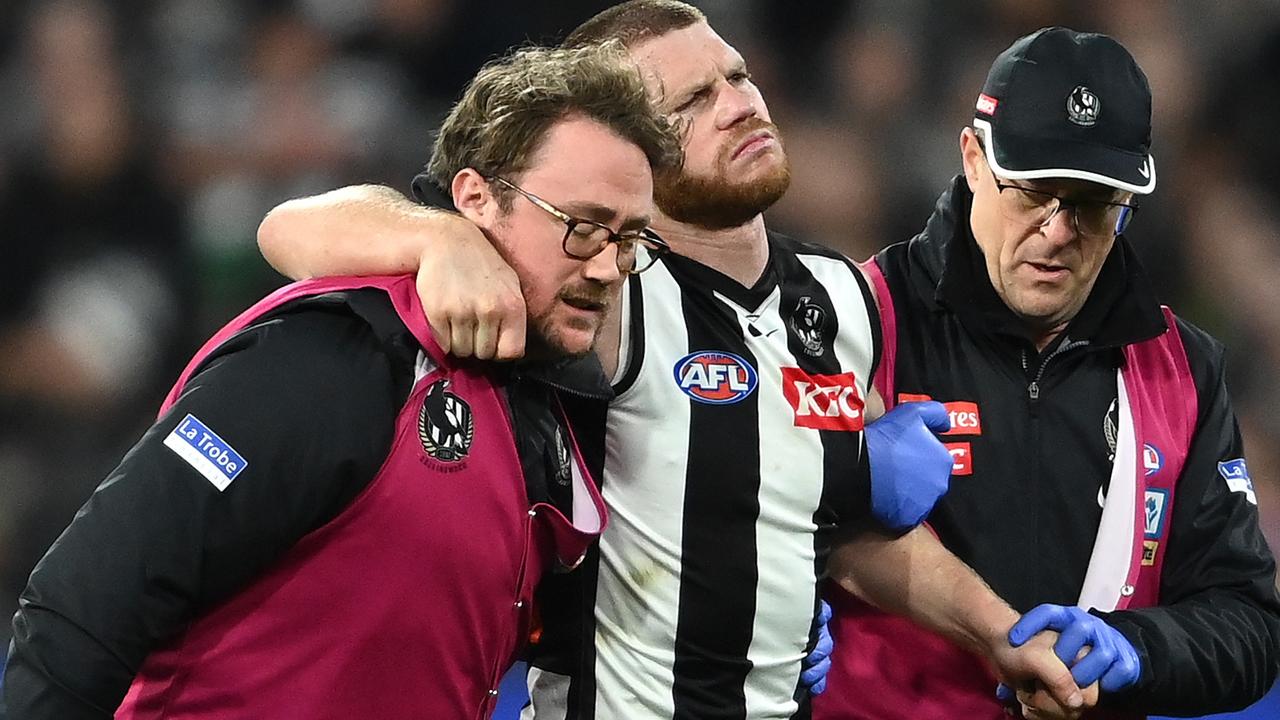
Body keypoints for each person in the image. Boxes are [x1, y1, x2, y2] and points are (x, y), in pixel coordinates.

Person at [253, 3, 1100, 718]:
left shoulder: (840, 296)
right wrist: (434, 235)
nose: (737, 104)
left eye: (736, 77)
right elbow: (290, 227)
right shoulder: (603, 284)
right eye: (692, 101)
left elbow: (832, 528)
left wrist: (1000, 633)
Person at [1, 41, 680, 719]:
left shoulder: (555, 421)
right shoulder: (340, 354)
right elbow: (87, 597)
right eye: (584, 228)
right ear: (475, 197)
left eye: (630, 241)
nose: (607, 267)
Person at [814, 27, 1280, 720]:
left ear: (1127, 206)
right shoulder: (854, 320)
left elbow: (1251, 628)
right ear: (973, 160)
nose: (1058, 231)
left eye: (1091, 204)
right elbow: (736, 521)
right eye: (1033, 192)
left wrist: (1135, 648)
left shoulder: (1181, 371)